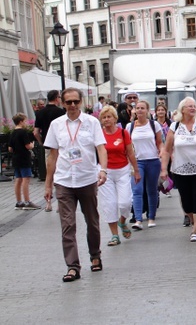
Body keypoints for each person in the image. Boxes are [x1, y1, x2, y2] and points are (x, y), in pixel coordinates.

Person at [44, 88, 108, 282]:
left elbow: (100, 148)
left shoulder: (92, 122)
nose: (72, 105)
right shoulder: (56, 125)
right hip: (64, 180)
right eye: (68, 102)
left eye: (75, 102)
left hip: (87, 178)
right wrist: (48, 185)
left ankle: (95, 255)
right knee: (67, 225)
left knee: (92, 221)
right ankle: (72, 266)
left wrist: (103, 170)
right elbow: (52, 156)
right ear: (62, 103)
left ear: (81, 102)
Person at [161, 97, 196, 242]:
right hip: (180, 169)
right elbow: (166, 150)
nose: (192, 108)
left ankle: (195, 229)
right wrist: (164, 169)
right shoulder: (175, 127)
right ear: (182, 109)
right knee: (186, 200)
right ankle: (192, 219)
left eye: (194, 106)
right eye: (189, 106)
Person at [98, 106, 140, 246]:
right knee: (110, 204)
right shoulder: (99, 134)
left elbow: (130, 152)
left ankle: (122, 221)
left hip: (122, 170)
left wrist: (136, 170)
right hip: (106, 172)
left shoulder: (123, 133)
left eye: (109, 116)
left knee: (125, 203)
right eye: (104, 117)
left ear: (115, 118)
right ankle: (114, 235)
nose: (106, 119)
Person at [128, 100, 164, 230]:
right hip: (137, 161)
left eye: (142, 108)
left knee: (151, 190)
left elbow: (160, 142)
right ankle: (138, 219)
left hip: (153, 160)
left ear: (148, 110)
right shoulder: (130, 127)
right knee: (137, 190)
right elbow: (127, 146)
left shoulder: (154, 125)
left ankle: (151, 217)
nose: (139, 110)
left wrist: (161, 151)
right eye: (137, 108)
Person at [33, 89, 66, 187]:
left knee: (49, 164)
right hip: (61, 143)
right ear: (56, 98)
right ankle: (60, 182)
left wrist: (41, 142)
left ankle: (49, 184)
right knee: (61, 163)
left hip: (48, 143)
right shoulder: (60, 112)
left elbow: (35, 132)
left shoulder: (40, 113)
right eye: (59, 97)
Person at [9, 113, 40, 210]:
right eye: (25, 121)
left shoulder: (12, 133)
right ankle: (27, 202)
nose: (26, 123)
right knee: (26, 179)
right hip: (24, 158)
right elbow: (28, 146)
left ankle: (19, 202)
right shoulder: (23, 133)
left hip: (15, 158)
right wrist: (32, 144)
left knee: (18, 179)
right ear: (21, 121)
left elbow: (10, 148)